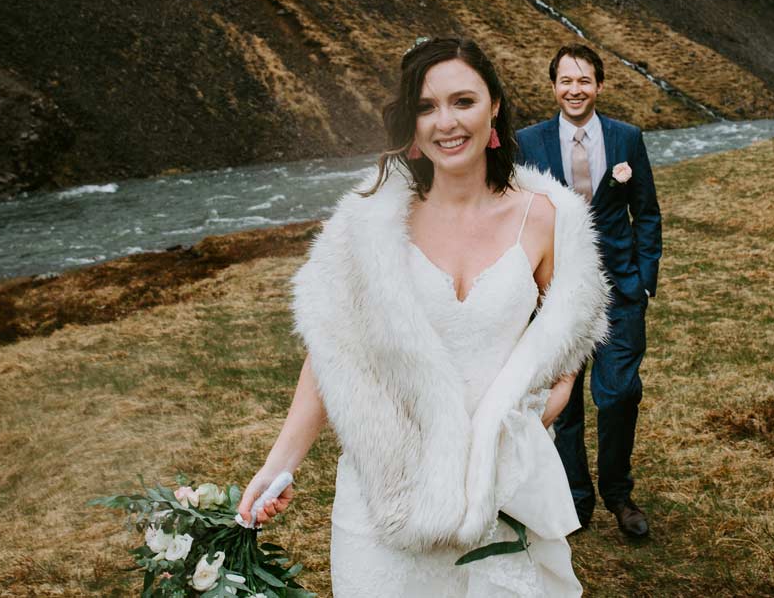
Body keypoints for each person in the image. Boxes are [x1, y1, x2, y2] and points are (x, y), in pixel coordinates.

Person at [237, 37, 610, 597]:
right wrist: (278, 464)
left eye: (462, 101)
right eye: (425, 107)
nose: (446, 122)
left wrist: (532, 419)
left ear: (494, 107)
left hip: (499, 489)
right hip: (386, 494)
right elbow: (330, 353)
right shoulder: (369, 223)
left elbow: (566, 339)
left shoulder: (545, 219)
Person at [516, 44, 661, 539]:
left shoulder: (627, 139)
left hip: (620, 289)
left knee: (619, 393)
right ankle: (575, 501)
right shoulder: (528, 142)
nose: (574, 90)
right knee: (565, 402)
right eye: (565, 81)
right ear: (554, 86)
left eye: (584, 81)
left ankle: (619, 494)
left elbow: (647, 211)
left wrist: (644, 279)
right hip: (553, 292)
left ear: (599, 85)